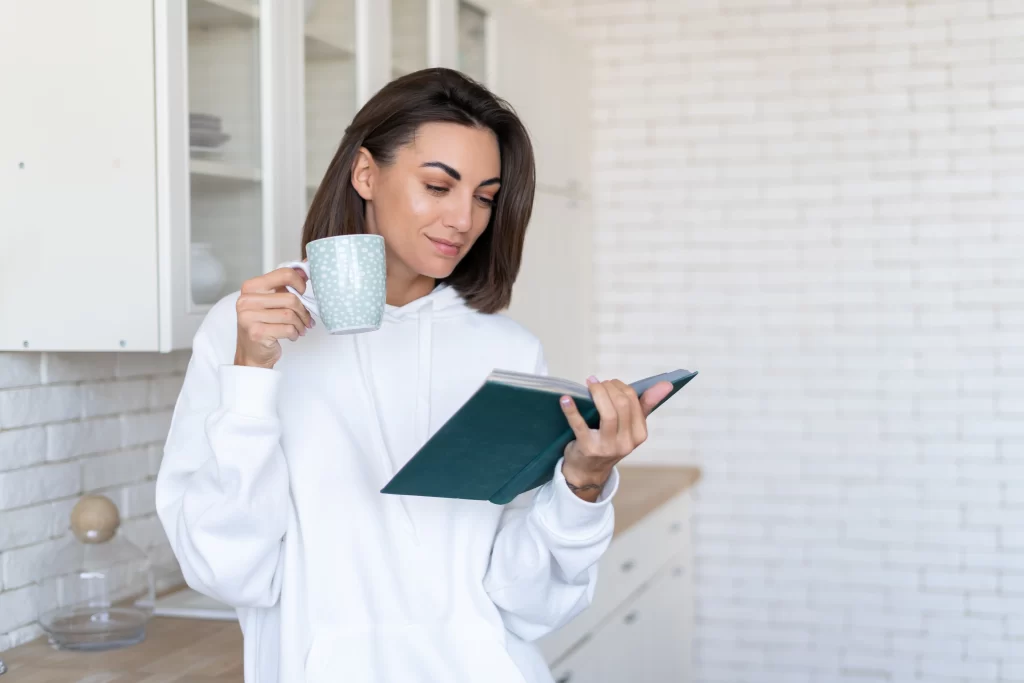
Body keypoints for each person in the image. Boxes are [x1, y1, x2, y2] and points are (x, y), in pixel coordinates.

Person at [155, 67, 672, 683]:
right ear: (366, 173)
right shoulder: (248, 330)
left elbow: (525, 602)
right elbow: (228, 570)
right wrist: (250, 378)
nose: (463, 219)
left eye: (483, 196)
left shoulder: (506, 350)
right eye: (438, 185)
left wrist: (583, 484)